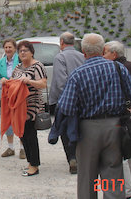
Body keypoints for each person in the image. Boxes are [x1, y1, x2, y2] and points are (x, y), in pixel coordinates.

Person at [58, 33, 131, 199]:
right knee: (113, 174)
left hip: (87, 129)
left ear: (83, 52)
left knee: (87, 176)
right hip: (115, 126)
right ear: (103, 49)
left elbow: (66, 107)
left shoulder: (78, 74)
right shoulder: (118, 69)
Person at [103, 41, 131, 199]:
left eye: (105, 52)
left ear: (114, 54)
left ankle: (128, 192)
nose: (103, 56)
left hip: (120, 118)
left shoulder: (115, 69)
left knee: (121, 156)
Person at [49, 32, 84, 174]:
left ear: (62, 42)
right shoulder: (82, 56)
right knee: (79, 129)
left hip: (66, 100)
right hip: (82, 100)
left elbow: (60, 81)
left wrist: (59, 101)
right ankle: (80, 157)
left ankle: (72, 158)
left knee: (65, 130)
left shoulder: (60, 57)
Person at [11, 40, 47, 177]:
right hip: (20, 107)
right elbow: (12, 81)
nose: (22, 53)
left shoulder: (37, 66)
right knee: (22, 134)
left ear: (32, 52)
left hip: (32, 106)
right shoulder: (18, 67)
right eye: (20, 51)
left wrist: (29, 81)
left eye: (25, 50)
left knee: (30, 135)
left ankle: (35, 164)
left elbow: (43, 84)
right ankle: (30, 162)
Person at [0, 38, 24, 158]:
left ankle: (23, 148)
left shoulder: (21, 61)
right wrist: (1, 80)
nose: (8, 50)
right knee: (7, 119)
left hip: (18, 94)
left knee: (20, 119)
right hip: (6, 95)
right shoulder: (0, 62)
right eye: (6, 47)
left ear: (15, 49)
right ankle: (11, 147)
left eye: (10, 47)